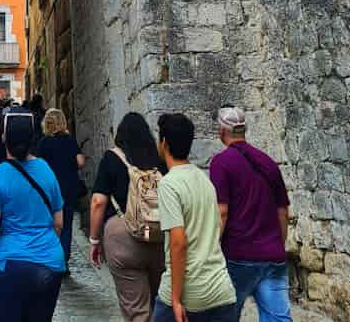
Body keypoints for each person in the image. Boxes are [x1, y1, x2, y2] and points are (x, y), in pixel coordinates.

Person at [0, 110, 65, 322]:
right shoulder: (46, 170)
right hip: (49, 264)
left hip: (12, 265)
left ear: (4, 138)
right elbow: (59, 223)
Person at [209, 107, 292, 321]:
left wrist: (212, 248)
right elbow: (283, 211)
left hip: (238, 255)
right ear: (244, 130)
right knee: (278, 318)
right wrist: (278, 245)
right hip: (273, 256)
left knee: (225, 316)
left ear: (221, 131)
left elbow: (222, 211)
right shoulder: (268, 162)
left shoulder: (221, 162)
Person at [152, 113, 236, 322]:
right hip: (221, 290)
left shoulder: (169, 184)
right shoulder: (204, 180)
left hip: (191, 293)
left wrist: (176, 299)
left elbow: (178, 242)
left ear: (164, 143)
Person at [89, 112, 165, 318]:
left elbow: (98, 201)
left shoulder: (111, 159)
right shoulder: (158, 160)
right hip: (157, 234)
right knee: (160, 304)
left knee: (136, 308)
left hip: (123, 236)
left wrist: (94, 240)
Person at [36, 108, 85, 265]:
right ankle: (63, 258)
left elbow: (38, 166)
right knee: (66, 225)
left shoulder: (43, 143)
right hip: (68, 189)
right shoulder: (69, 140)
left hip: (49, 191)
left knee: (50, 224)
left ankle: (50, 257)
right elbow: (80, 162)